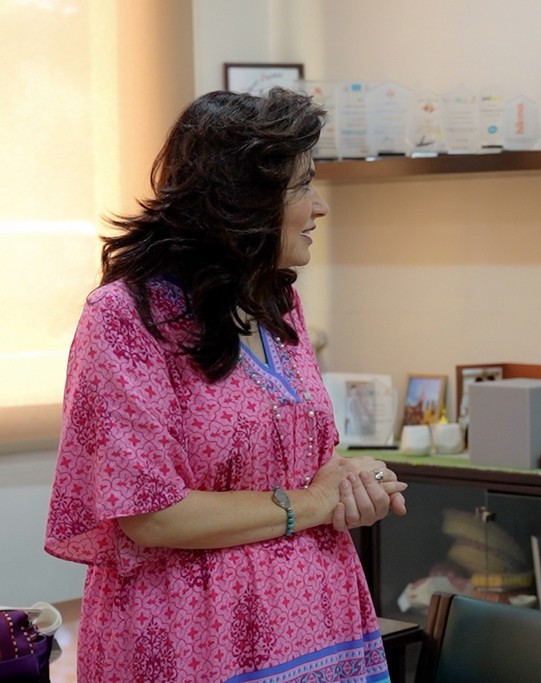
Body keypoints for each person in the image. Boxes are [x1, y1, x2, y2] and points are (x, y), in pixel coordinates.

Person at [45, 88, 409, 683]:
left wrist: (348, 481)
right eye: (302, 185)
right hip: (196, 640)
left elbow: (285, 461)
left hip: (320, 624)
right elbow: (150, 516)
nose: (319, 206)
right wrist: (314, 504)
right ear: (241, 200)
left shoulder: (277, 302)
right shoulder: (125, 318)